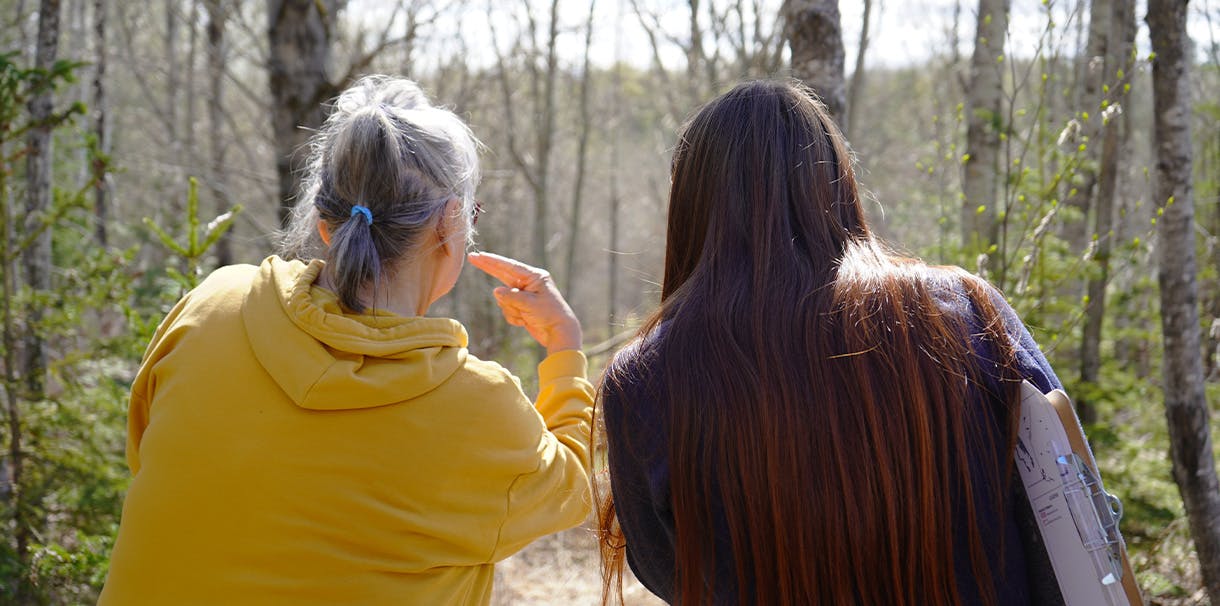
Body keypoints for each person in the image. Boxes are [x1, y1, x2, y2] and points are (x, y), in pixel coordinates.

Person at [100, 75, 593, 605]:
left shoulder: (215, 303)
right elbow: (569, 490)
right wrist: (564, 348)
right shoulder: (478, 407)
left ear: (325, 222)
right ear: (450, 224)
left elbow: (148, 450)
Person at [597, 80, 1063, 605]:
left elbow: (669, 573)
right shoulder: (963, 308)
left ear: (690, 204)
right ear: (834, 181)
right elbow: (1066, 501)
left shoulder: (644, 377)